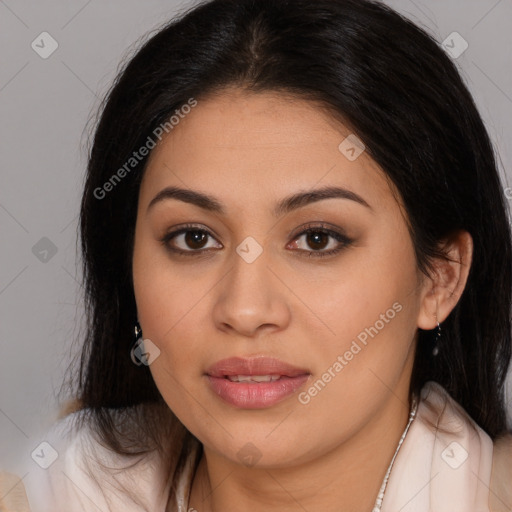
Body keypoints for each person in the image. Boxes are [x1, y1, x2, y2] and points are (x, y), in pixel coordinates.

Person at [8, 0, 512, 510]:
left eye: (318, 239)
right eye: (194, 238)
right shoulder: (46, 487)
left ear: (439, 280)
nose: (245, 310)